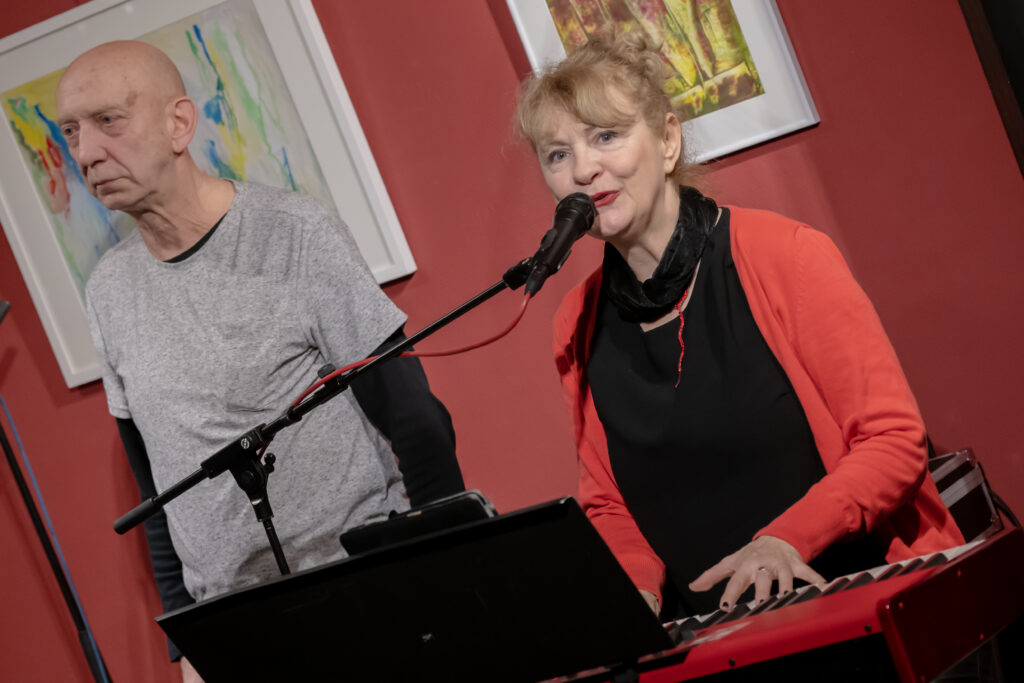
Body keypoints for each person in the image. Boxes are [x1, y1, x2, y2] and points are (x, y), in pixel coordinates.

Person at [515, 32, 963, 620]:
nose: (583, 169)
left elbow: (893, 442)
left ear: (668, 141)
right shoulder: (575, 320)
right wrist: (634, 595)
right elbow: (608, 505)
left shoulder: (787, 254)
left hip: (857, 599)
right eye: (557, 154)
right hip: (707, 633)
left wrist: (785, 540)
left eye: (606, 136)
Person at [56, 41, 464, 679]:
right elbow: (154, 483)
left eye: (109, 121)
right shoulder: (107, 290)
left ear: (178, 124)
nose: (86, 152)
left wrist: (446, 572)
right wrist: (186, 637)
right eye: (72, 132)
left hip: (363, 595)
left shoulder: (295, 234)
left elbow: (416, 420)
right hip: (232, 631)